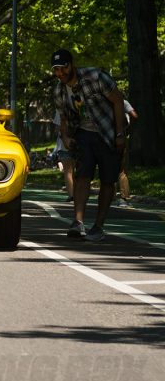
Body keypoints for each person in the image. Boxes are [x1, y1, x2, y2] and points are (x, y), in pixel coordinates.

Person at [51, 48, 127, 242]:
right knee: (82, 176)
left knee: (108, 180)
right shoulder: (59, 90)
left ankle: (98, 226)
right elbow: (65, 118)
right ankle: (78, 222)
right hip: (84, 135)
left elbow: (118, 101)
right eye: (56, 70)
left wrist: (120, 134)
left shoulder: (95, 77)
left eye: (63, 68)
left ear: (71, 65)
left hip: (108, 133)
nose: (60, 73)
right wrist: (66, 138)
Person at [117, 100, 138, 207]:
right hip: (121, 136)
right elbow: (134, 115)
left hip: (103, 136)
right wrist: (127, 129)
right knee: (122, 170)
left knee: (105, 165)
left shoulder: (100, 100)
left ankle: (108, 196)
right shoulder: (123, 102)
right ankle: (123, 198)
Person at [52, 110, 75, 202]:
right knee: (76, 171)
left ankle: (72, 195)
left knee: (68, 171)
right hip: (80, 143)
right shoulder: (82, 104)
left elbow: (58, 128)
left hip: (64, 145)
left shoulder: (60, 109)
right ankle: (76, 194)